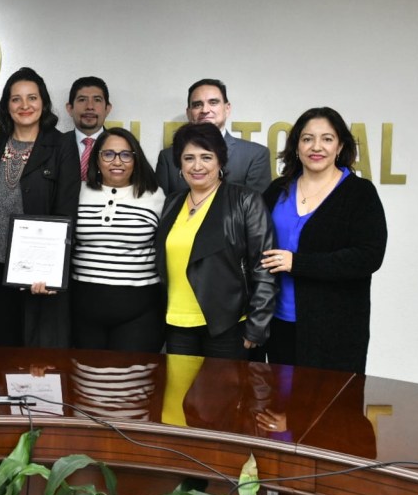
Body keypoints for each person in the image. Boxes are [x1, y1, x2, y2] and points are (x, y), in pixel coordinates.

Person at [260, 107, 387, 373]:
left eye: (327, 139)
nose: (316, 147)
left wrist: (298, 263)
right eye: (307, 139)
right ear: (296, 146)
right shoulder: (277, 190)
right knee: (280, 397)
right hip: (277, 322)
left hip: (335, 329)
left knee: (328, 399)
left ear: (340, 146)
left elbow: (369, 256)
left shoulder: (360, 193)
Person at [0, 67, 81, 348]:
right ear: (6, 105)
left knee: (35, 357)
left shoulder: (61, 146)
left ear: (43, 103)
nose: (25, 105)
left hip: (36, 273)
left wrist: (50, 270)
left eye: (32, 98)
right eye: (16, 99)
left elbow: (66, 210)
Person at [155, 123, 276, 359]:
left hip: (227, 325)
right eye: (188, 158)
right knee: (177, 385)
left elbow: (264, 266)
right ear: (179, 164)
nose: (197, 166)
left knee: (221, 385)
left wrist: (258, 324)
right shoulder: (172, 202)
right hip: (177, 324)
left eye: (206, 157)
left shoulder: (245, 200)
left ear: (220, 160)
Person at [71, 128, 165, 352]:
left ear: (136, 159)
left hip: (139, 312)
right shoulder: (76, 192)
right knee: (86, 373)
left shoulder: (156, 195)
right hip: (83, 310)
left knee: (132, 374)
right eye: (108, 154)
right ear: (96, 159)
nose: (117, 162)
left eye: (125, 155)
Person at [156, 79, 270, 195]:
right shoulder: (167, 157)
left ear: (227, 108)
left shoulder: (255, 155)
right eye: (197, 105)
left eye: (213, 102)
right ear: (189, 112)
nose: (205, 110)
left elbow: (255, 204)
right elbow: (163, 204)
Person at [62, 76, 113, 181]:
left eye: (97, 100)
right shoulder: (54, 146)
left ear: (107, 109)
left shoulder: (122, 146)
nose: (90, 107)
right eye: (82, 100)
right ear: (70, 108)